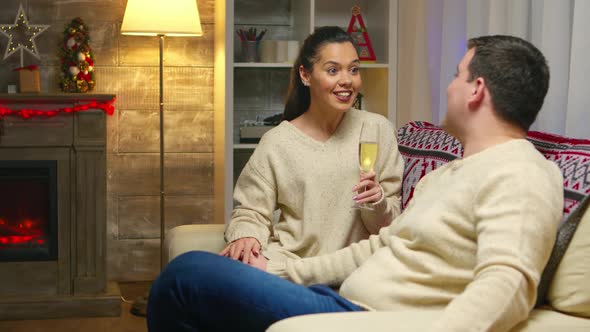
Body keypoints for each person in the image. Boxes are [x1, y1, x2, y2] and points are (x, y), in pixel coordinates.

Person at [147, 35, 563, 332]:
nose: (448, 85)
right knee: (198, 285)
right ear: (307, 76)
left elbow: (507, 285)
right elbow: (381, 246)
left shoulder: (521, 173)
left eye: (456, 75)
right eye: (333, 69)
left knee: (186, 276)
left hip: (367, 316)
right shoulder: (449, 173)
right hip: (344, 299)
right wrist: (286, 272)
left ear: (476, 90)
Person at [220, 26, 404, 270]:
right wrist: (246, 235)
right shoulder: (277, 142)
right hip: (291, 263)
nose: (347, 80)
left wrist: (377, 201)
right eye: (332, 70)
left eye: (354, 69)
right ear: (305, 75)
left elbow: (392, 227)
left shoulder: (377, 129)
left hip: (354, 269)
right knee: (201, 270)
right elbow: (250, 210)